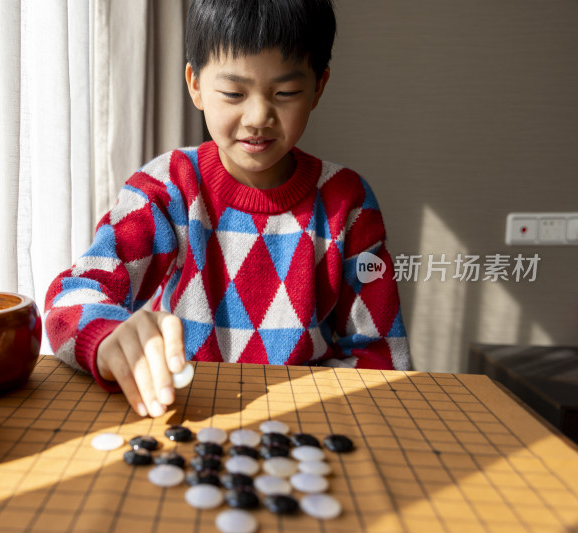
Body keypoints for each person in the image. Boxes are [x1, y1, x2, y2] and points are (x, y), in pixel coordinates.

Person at [45, 0, 411, 418]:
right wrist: (109, 338)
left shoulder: (347, 202)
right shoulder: (168, 186)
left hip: (306, 423)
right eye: (234, 93)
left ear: (318, 87)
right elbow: (73, 295)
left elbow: (382, 355)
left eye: (286, 93)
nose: (258, 117)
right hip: (184, 414)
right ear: (195, 85)